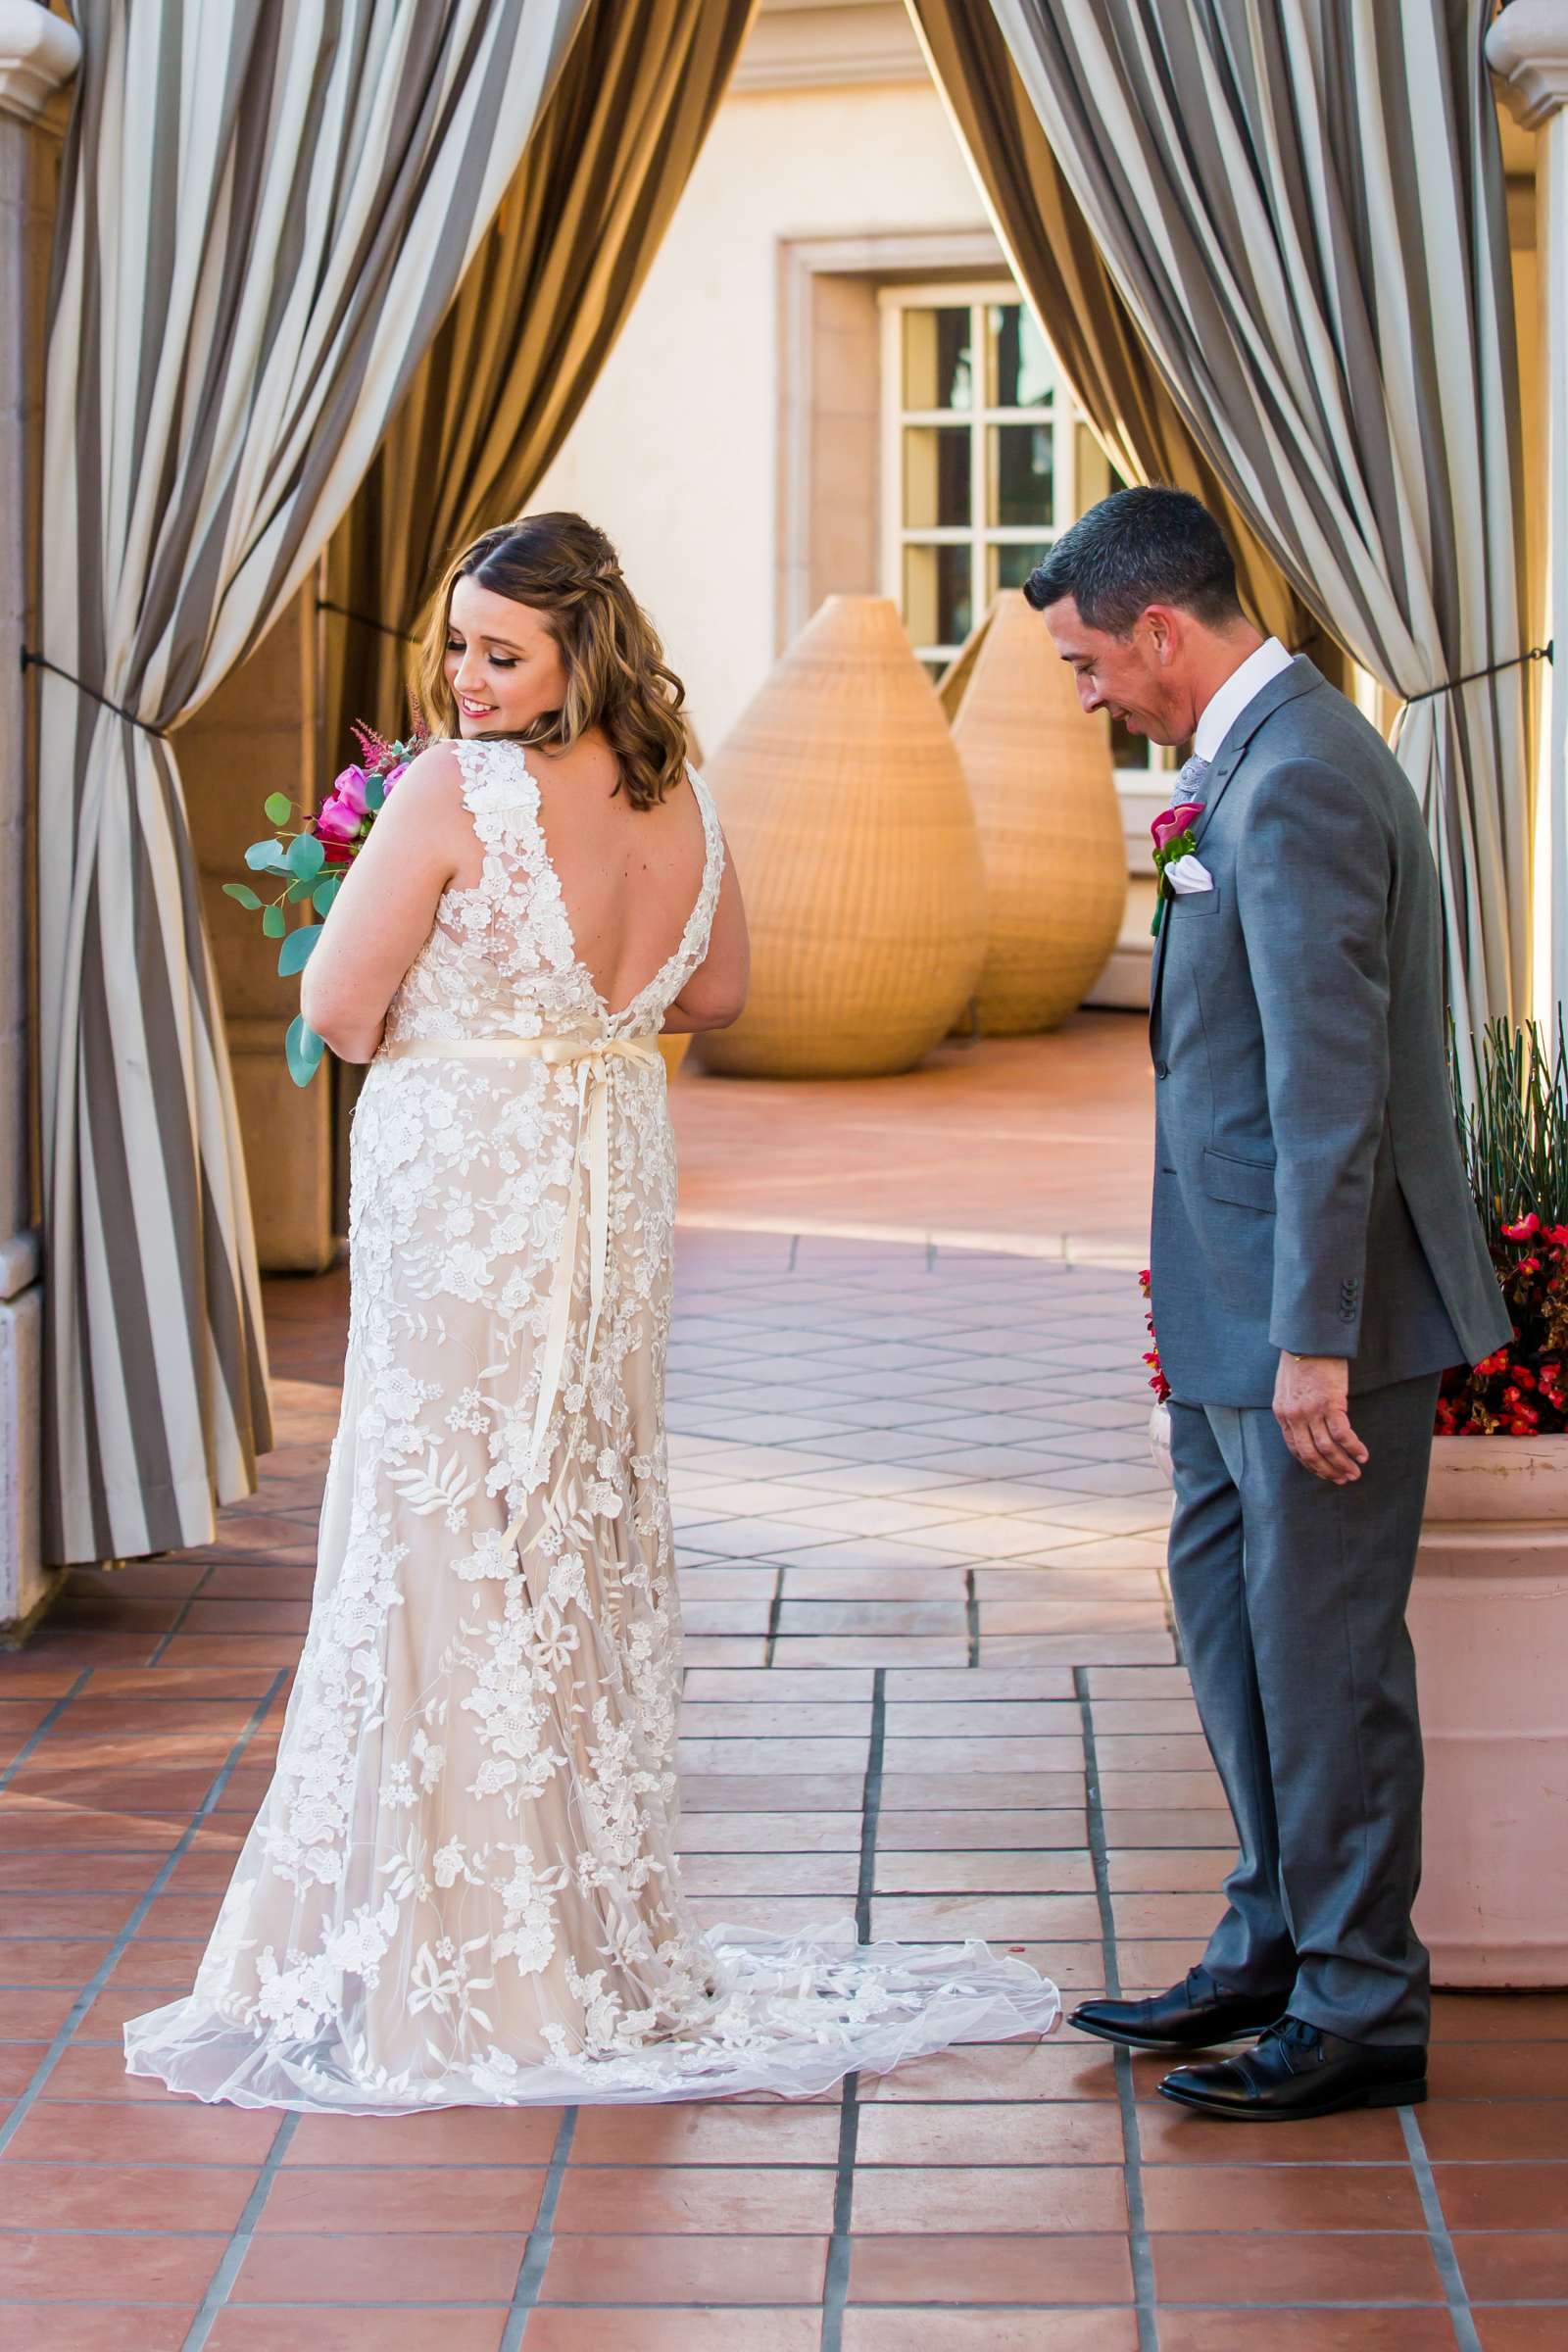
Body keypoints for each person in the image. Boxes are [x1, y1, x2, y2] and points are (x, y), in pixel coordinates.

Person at [123, 512, 1057, 2111]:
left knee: (446, 1524)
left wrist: (447, 958)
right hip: (607, 1185)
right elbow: (717, 993)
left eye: (503, 653)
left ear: (579, 651)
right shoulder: (676, 790)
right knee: (569, 1517)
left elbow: (341, 1012)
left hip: (473, 1190)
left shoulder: (455, 789)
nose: (467, 681)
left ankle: (463, 1944)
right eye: (458, 649)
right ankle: (590, 1933)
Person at [1026, 487, 1508, 2123]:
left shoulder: (1298, 776)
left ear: (1162, 628)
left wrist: (1313, 1333)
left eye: (1093, 663)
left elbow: (1331, 1086)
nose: (1090, 694)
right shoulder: (1242, 761)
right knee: (1231, 1623)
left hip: (1321, 1319)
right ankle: (1272, 1936)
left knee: (1323, 1659)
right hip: (1232, 1302)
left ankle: (1363, 2004)